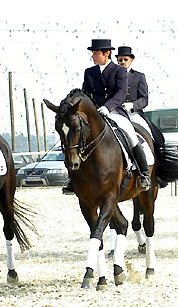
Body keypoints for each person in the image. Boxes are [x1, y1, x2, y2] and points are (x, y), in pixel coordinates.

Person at [62, 39, 151, 194]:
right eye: (93, 53)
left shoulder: (119, 71)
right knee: (77, 137)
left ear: (106, 53)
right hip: (95, 113)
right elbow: (85, 93)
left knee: (131, 135)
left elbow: (121, 93)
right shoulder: (89, 72)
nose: (93, 56)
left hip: (115, 111)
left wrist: (107, 107)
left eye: (95, 53)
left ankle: (144, 174)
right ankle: (73, 178)